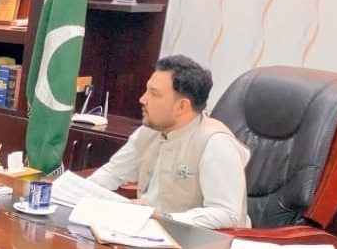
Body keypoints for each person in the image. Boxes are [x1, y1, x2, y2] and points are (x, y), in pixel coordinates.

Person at [86, 55, 250, 229]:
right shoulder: (149, 131)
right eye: (147, 90)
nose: (143, 99)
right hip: (147, 230)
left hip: (196, 240)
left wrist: (163, 217)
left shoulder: (215, 143)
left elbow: (227, 214)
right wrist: (78, 193)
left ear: (181, 106)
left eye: (154, 94)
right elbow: (111, 174)